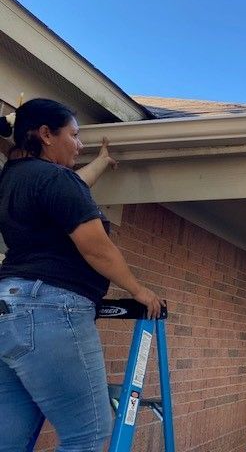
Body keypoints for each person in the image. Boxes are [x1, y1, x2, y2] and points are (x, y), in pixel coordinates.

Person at [0, 98, 163, 451]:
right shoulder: (55, 180)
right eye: (74, 135)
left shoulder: (14, 178)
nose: (80, 144)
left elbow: (69, 186)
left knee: (9, 439)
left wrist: (102, 162)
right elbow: (96, 248)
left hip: (9, 311)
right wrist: (139, 290)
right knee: (87, 433)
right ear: (46, 134)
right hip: (50, 309)